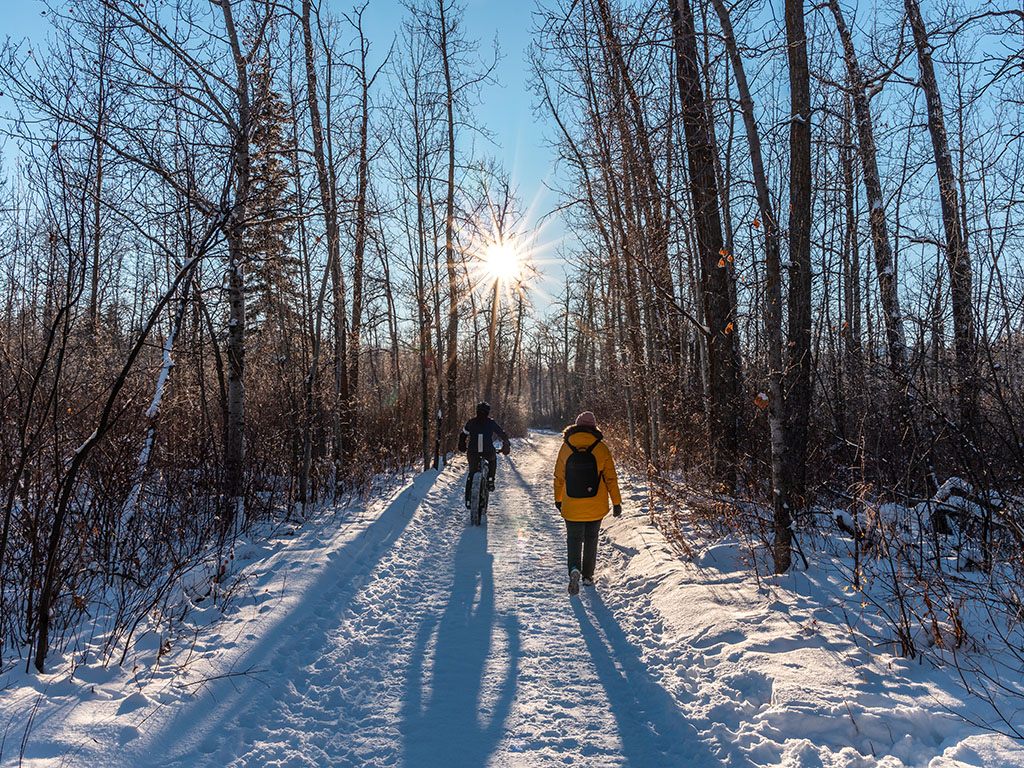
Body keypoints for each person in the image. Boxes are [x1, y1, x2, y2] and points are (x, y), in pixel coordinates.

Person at [553, 411, 622, 595]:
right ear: (594, 427)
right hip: (596, 506)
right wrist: (617, 503)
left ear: (575, 426)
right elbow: (611, 479)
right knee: (592, 539)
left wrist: (558, 499)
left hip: (571, 504)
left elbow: (559, 477)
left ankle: (574, 569)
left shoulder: (565, 447)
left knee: (574, 539)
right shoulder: (601, 448)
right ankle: (588, 576)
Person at [458, 401, 510, 507]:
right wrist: (506, 445)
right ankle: (490, 478)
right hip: (488, 451)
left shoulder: (471, 422)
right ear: (488, 412)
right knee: (492, 460)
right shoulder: (491, 423)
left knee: (472, 474)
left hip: (473, 452)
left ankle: (468, 500)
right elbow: (502, 434)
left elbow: (463, 435)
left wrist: (462, 445)